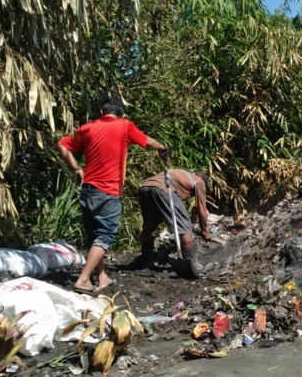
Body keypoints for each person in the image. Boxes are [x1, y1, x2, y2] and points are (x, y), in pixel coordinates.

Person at [57, 97, 167, 294]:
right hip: (107, 191)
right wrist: (162, 148)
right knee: (105, 235)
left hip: (87, 190)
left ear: (101, 111)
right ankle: (83, 279)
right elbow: (148, 142)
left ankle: (101, 277)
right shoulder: (124, 126)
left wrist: (76, 169)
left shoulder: (87, 128)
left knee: (94, 235)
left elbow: (62, 145)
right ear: (121, 113)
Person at [137, 169, 209, 272]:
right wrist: (205, 232)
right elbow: (201, 209)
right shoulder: (199, 181)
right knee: (185, 225)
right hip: (164, 189)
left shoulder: (178, 173)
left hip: (145, 187)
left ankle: (146, 261)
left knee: (148, 226)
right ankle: (192, 264)